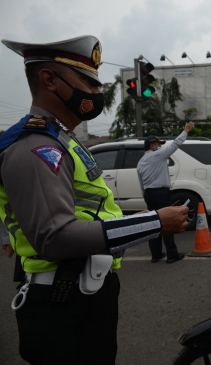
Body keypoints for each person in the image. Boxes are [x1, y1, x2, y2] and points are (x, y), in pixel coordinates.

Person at [0, 35, 189, 365]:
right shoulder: (35, 145)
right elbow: (55, 237)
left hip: (85, 291)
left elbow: (88, 211)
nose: (96, 92)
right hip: (62, 299)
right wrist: (153, 222)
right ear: (49, 80)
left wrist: (135, 219)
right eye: (86, 80)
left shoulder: (62, 139)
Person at [137, 123, 194, 264]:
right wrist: (185, 130)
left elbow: (141, 184)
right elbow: (175, 144)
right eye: (158, 144)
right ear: (152, 146)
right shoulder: (157, 155)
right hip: (161, 193)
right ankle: (171, 255)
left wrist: (145, 195)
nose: (160, 146)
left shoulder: (141, 162)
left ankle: (156, 255)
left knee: (153, 223)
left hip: (149, 194)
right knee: (168, 222)